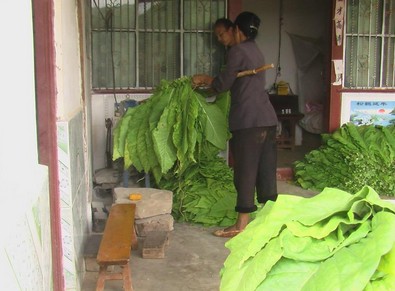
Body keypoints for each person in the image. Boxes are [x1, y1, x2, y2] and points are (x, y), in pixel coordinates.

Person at [192, 11, 278, 238]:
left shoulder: (238, 51)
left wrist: (203, 79)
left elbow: (222, 84)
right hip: (267, 120)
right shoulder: (255, 51)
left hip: (249, 121)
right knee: (266, 171)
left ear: (236, 30)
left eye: (222, 34)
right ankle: (272, 221)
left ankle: (241, 224)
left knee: (245, 172)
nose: (220, 39)